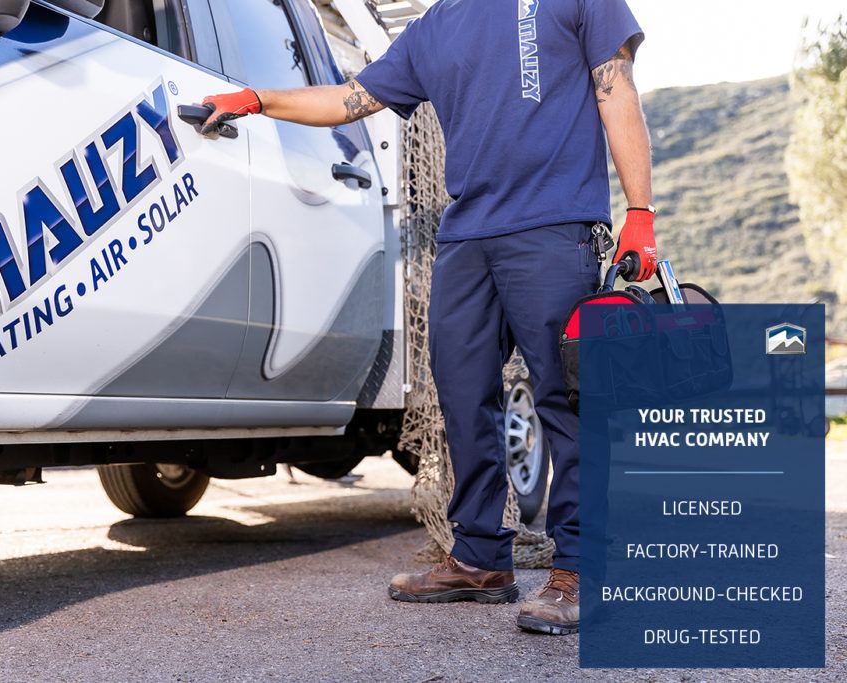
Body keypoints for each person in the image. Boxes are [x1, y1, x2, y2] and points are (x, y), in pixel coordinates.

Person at [200, 0, 655, 636]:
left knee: (566, 399)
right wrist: (256, 98)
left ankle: (580, 569)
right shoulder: (432, 29)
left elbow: (616, 88)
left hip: (554, 228)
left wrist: (640, 212)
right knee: (463, 395)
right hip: (466, 236)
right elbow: (347, 101)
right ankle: (479, 557)